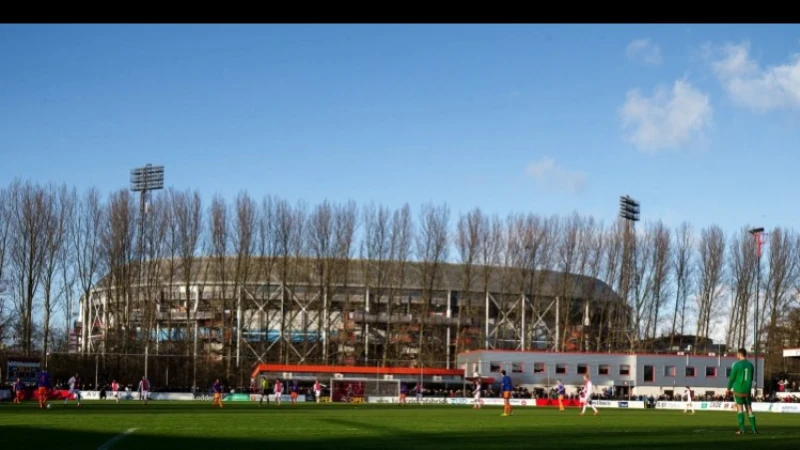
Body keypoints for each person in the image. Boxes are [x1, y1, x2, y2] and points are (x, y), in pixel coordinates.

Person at [728, 347, 758, 435]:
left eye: (737, 354)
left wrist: (728, 388)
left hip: (738, 390)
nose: (737, 355)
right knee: (749, 409)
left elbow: (732, 378)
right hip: (747, 390)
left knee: (740, 409)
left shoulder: (736, 365)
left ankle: (742, 429)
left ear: (740, 354)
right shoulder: (751, 365)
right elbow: (751, 378)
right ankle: (754, 429)